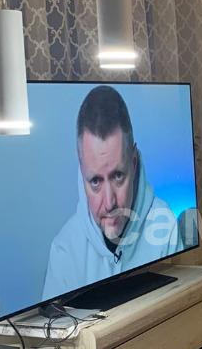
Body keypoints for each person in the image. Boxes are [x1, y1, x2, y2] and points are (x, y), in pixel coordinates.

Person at [42, 85, 182, 302]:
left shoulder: (164, 224)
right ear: (82, 171)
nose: (109, 203)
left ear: (133, 163)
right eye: (95, 181)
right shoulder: (64, 249)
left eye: (118, 176)